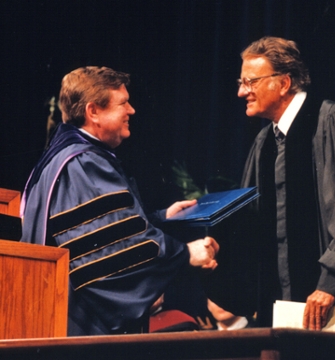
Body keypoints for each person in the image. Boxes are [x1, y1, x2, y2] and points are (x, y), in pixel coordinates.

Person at [20, 66, 219, 336]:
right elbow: (109, 251)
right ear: (93, 112)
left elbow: (101, 229)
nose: (132, 110)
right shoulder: (83, 162)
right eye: (123, 103)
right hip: (81, 325)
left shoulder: (63, 157)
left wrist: (160, 218)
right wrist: (185, 253)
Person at [205, 36, 335, 333]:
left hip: (333, 303)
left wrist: (332, 282)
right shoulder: (264, 143)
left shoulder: (331, 121)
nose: (241, 92)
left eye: (250, 82)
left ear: (283, 83)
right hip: (280, 308)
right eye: (241, 82)